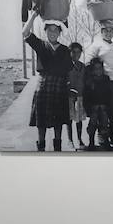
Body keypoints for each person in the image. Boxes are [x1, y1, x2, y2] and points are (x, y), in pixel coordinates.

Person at [24, 16, 72, 152]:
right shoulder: (41, 45)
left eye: (56, 30)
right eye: (50, 30)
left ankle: (58, 148)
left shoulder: (65, 50)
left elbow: (68, 71)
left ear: (59, 33)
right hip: (43, 87)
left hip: (59, 88)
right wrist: (33, 16)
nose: (52, 33)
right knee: (41, 122)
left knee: (58, 122)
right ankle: (41, 147)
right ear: (45, 31)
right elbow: (25, 33)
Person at [82, 21, 113, 147]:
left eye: (111, 30)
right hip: (101, 84)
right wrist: (91, 81)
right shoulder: (95, 45)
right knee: (101, 111)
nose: (108, 33)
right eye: (105, 30)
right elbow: (88, 63)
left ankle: (112, 136)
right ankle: (101, 138)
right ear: (101, 32)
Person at [81, 57, 113, 151]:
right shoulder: (89, 81)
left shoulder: (106, 79)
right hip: (93, 107)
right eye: (96, 68)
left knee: (104, 124)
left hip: (104, 107)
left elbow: (109, 93)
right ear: (92, 70)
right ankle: (91, 142)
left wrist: (108, 105)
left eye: (100, 68)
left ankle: (105, 141)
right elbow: (86, 96)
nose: (98, 70)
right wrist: (88, 108)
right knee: (92, 125)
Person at [67, 42, 86, 150]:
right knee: (69, 119)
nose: (76, 54)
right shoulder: (66, 66)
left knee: (79, 119)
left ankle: (79, 139)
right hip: (69, 97)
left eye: (78, 52)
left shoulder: (82, 66)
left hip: (80, 96)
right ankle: (70, 140)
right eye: (73, 52)